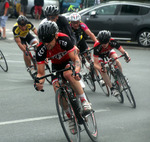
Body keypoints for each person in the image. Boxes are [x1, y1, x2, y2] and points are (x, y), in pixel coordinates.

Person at [35, 21, 92, 134]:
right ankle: (70, 117)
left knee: (67, 74)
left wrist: (76, 71)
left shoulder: (64, 39)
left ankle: (84, 101)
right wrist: (39, 82)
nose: (46, 44)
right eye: (44, 41)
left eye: (48, 41)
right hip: (56, 65)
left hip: (69, 60)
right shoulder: (41, 49)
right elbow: (41, 73)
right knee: (56, 88)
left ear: (56, 35)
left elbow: (76, 59)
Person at [93, 30, 131, 97]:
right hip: (100, 56)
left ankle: (122, 77)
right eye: (102, 43)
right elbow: (95, 64)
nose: (104, 45)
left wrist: (127, 56)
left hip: (109, 52)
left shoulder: (112, 41)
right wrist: (101, 68)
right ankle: (112, 89)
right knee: (103, 71)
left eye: (105, 43)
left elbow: (123, 51)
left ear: (109, 40)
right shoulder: (96, 46)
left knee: (117, 61)